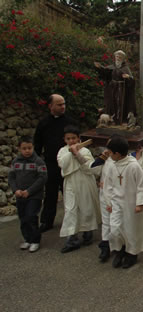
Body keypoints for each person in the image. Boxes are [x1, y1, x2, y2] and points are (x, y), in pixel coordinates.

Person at [104, 136, 143, 268]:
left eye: (110, 153)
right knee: (115, 229)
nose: (109, 155)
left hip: (131, 204)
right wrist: (109, 202)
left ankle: (132, 254)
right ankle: (120, 250)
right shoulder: (112, 166)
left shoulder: (133, 166)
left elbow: (142, 185)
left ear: (117, 154)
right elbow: (108, 185)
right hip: (117, 203)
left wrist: (140, 203)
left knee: (131, 230)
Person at [34, 94, 77, 233]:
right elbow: (37, 144)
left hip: (68, 163)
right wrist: (37, 162)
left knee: (70, 193)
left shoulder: (70, 122)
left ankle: (75, 220)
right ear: (50, 106)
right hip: (51, 163)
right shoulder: (43, 123)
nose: (63, 106)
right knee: (50, 193)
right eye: (59, 104)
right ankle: (47, 221)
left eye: (64, 103)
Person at [57, 126, 101, 253]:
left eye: (74, 138)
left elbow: (90, 167)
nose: (71, 141)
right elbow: (62, 164)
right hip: (71, 182)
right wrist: (71, 153)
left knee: (86, 208)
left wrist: (77, 153)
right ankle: (72, 239)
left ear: (79, 138)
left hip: (85, 182)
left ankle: (88, 233)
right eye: (68, 139)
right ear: (64, 140)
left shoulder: (85, 151)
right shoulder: (62, 151)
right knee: (71, 210)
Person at [8, 136, 47, 253]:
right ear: (19, 148)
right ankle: (27, 239)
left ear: (33, 147)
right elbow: (11, 177)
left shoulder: (38, 161)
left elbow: (43, 178)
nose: (27, 151)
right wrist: (16, 190)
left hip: (34, 196)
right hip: (20, 196)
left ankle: (35, 240)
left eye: (29, 148)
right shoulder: (15, 162)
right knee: (23, 218)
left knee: (31, 216)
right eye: (24, 148)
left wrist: (29, 191)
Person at [94, 50, 136, 125]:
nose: (118, 58)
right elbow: (105, 73)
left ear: (122, 58)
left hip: (122, 91)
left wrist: (128, 77)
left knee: (121, 106)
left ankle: (121, 121)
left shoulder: (125, 68)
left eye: (120, 57)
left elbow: (132, 80)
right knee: (111, 105)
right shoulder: (111, 67)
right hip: (112, 90)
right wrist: (99, 68)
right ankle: (111, 121)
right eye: (117, 56)